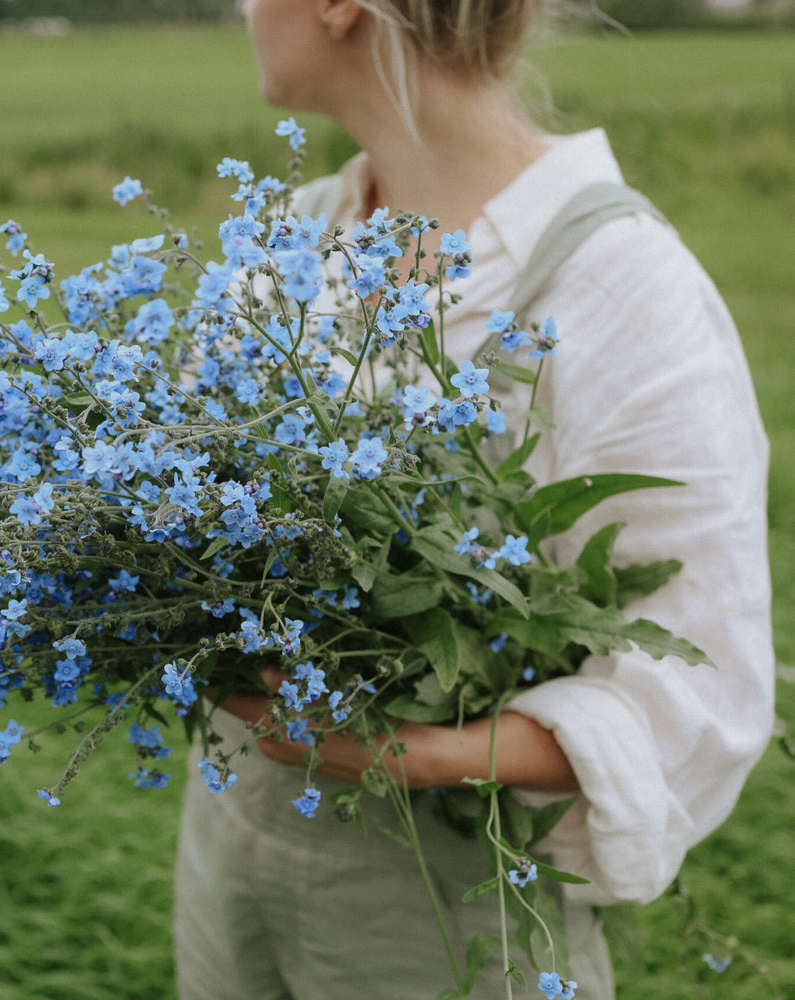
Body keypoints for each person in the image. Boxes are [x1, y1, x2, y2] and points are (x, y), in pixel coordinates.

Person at [173, 1, 775, 997]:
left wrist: (409, 753)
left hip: (438, 895)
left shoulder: (613, 284)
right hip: (231, 836)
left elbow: (704, 682)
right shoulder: (290, 240)